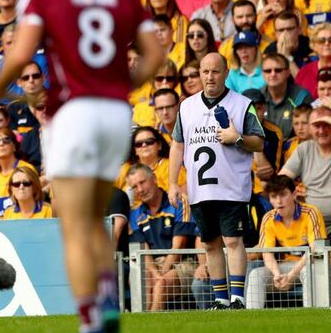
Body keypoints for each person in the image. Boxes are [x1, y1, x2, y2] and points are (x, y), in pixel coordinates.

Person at [0, 0, 163, 333]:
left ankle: (93, 327)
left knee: (75, 225)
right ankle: (108, 308)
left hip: (74, 114)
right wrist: (121, 86)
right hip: (115, 114)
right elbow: (156, 56)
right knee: (95, 217)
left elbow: (21, 54)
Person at [169, 52, 265, 311]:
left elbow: (259, 141)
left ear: (225, 73)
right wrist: (171, 182)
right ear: (199, 73)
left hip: (232, 188)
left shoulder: (243, 104)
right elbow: (177, 145)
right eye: (205, 71)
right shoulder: (187, 107)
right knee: (210, 243)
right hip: (200, 189)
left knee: (233, 240)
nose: (209, 77)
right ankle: (220, 299)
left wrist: (238, 138)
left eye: (215, 71)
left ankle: (237, 298)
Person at [247, 175, 326, 309]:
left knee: (308, 271)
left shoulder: (311, 212)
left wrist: (290, 276)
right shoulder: (268, 218)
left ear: (294, 194)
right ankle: (250, 320)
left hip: (312, 266)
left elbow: (314, 250)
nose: (279, 201)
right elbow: (267, 253)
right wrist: (278, 275)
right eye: (273, 196)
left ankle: (312, 315)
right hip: (284, 267)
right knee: (256, 275)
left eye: (283, 195)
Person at [126, 163, 198, 311]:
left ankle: (150, 327)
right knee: (141, 281)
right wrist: (154, 273)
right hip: (152, 264)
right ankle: (140, 323)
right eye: (134, 187)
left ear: (154, 178)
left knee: (161, 284)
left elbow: (179, 247)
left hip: (183, 261)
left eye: (142, 182)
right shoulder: (135, 214)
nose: (140, 189)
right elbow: (143, 251)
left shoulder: (178, 202)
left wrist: (161, 275)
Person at [280, 106, 331, 228]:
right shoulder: (304, 149)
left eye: (326, 125)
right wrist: (293, 192)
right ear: (310, 128)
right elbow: (281, 180)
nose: (321, 130)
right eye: (316, 126)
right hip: (310, 222)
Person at [261, 53, 313, 138]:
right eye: (268, 71)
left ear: (288, 72)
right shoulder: (257, 97)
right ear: (263, 74)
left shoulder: (302, 97)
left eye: (278, 70)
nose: (273, 74)